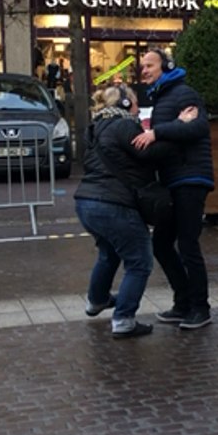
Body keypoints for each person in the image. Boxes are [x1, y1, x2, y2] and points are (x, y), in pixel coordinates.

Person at [74, 85, 188, 338]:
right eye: (135, 102)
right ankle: (124, 319)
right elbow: (151, 152)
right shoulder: (123, 126)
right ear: (125, 104)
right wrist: (178, 129)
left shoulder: (94, 128)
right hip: (114, 204)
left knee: (109, 253)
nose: (138, 108)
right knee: (140, 261)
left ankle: (97, 300)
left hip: (86, 201)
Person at [133, 48, 215, 330]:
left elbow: (199, 128)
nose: (143, 70)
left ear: (166, 66)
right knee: (162, 243)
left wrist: (157, 132)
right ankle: (183, 302)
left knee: (188, 244)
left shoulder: (184, 94)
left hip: (190, 179)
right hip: (174, 179)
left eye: (149, 65)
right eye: (142, 66)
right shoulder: (164, 96)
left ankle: (200, 308)